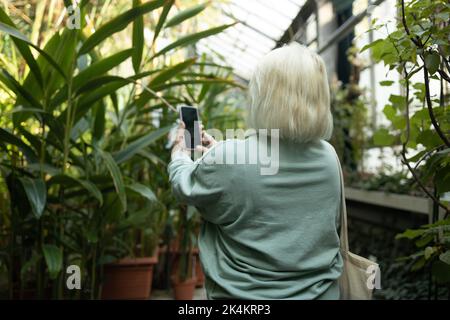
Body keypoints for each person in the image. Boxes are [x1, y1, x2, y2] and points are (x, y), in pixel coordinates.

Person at [168, 42, 343, 299]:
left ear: (264, 96)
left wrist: (180, 152)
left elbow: (184, 186)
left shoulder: (230, 158)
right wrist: (220, 153)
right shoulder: (329, 157)